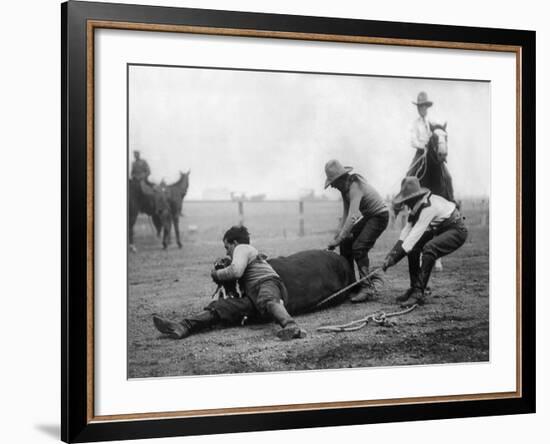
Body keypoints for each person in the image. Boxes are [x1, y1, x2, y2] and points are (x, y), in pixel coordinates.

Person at [152, 225, 307, 341]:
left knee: (267, 298)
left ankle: (291, 326)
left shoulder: (243, 248)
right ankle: (183, 326)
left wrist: (217, 274)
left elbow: (236, 271)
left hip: (267, 283)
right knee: (222, 308)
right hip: (255, 298)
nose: (227, 252)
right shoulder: (244, 253)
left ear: (234, 243)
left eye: (227, 247)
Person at [382, 177, 468, 307]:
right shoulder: (417, 207)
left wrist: (393, 260)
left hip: (456, 230)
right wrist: (390, 256)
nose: (406, 204)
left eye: (407, 200)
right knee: (414, 248)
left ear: (415, 198)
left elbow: (412, 238)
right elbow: (405, 233)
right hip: (441, 229)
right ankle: (414, 287)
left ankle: (418, 292)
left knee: (429, 248)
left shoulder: (428, 207)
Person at [324, 159, 389, 303]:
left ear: (341, 179)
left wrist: (339, 238)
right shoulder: (344, 190)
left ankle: (367, 287)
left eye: (333, 182)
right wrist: (337, 237)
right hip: (369, 216)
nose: (332, 186)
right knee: (346, 243)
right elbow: (345, 214)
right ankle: (351, 285)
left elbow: (353, 216)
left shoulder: (355, 187)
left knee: (359, 247)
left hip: (379, 216)